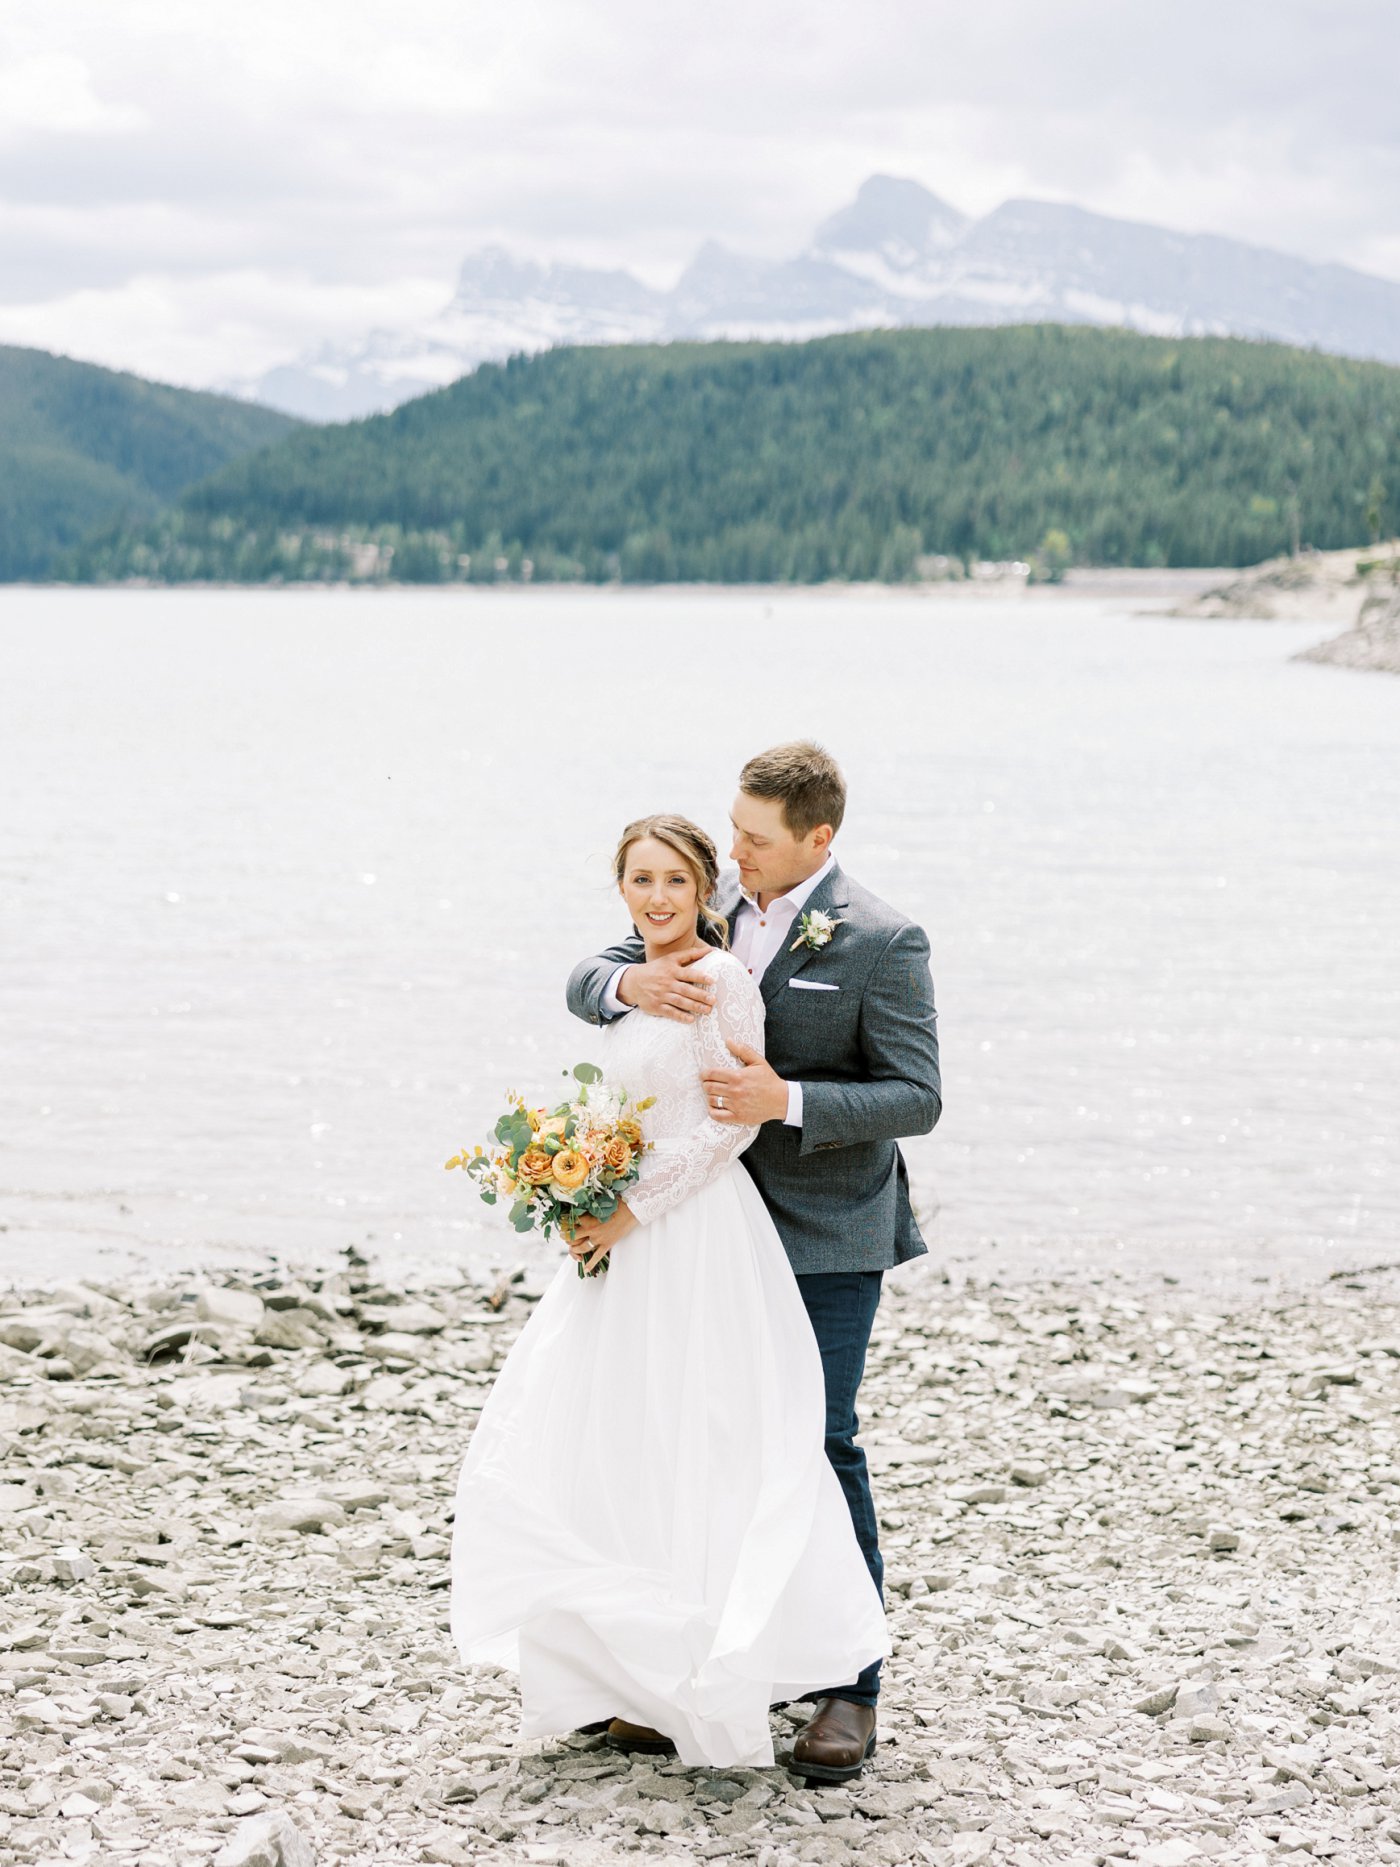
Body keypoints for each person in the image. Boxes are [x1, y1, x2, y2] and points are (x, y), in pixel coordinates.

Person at [449, 812, 888, 1771]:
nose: (658, 897)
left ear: (704, 892)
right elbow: (595, 1008)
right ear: (621, 889)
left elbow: (729, 1123)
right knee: (625, 1434)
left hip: (693, 1235)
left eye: (676, 883)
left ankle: (794, 1669)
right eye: (640, 881)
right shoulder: (629, 978)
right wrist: (578, 1181)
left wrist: (628, 1210)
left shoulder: (724, 978)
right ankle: (643, 1673)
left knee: (717, 1433)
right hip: (625, 1239)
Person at [565, 742, 941, 1782]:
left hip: (824, 1229)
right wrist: (624, 978)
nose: (731, 851)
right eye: (730, 831)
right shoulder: (719, 900)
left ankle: (848, 1682)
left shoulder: (881, 936)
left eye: (754, 837)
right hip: (705, 1228)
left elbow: (916, 1095)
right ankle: (725, 1662)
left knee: (815, 1440)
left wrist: (787, 1101)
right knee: (706, 1438)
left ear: (817, 839)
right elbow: (587, 975)